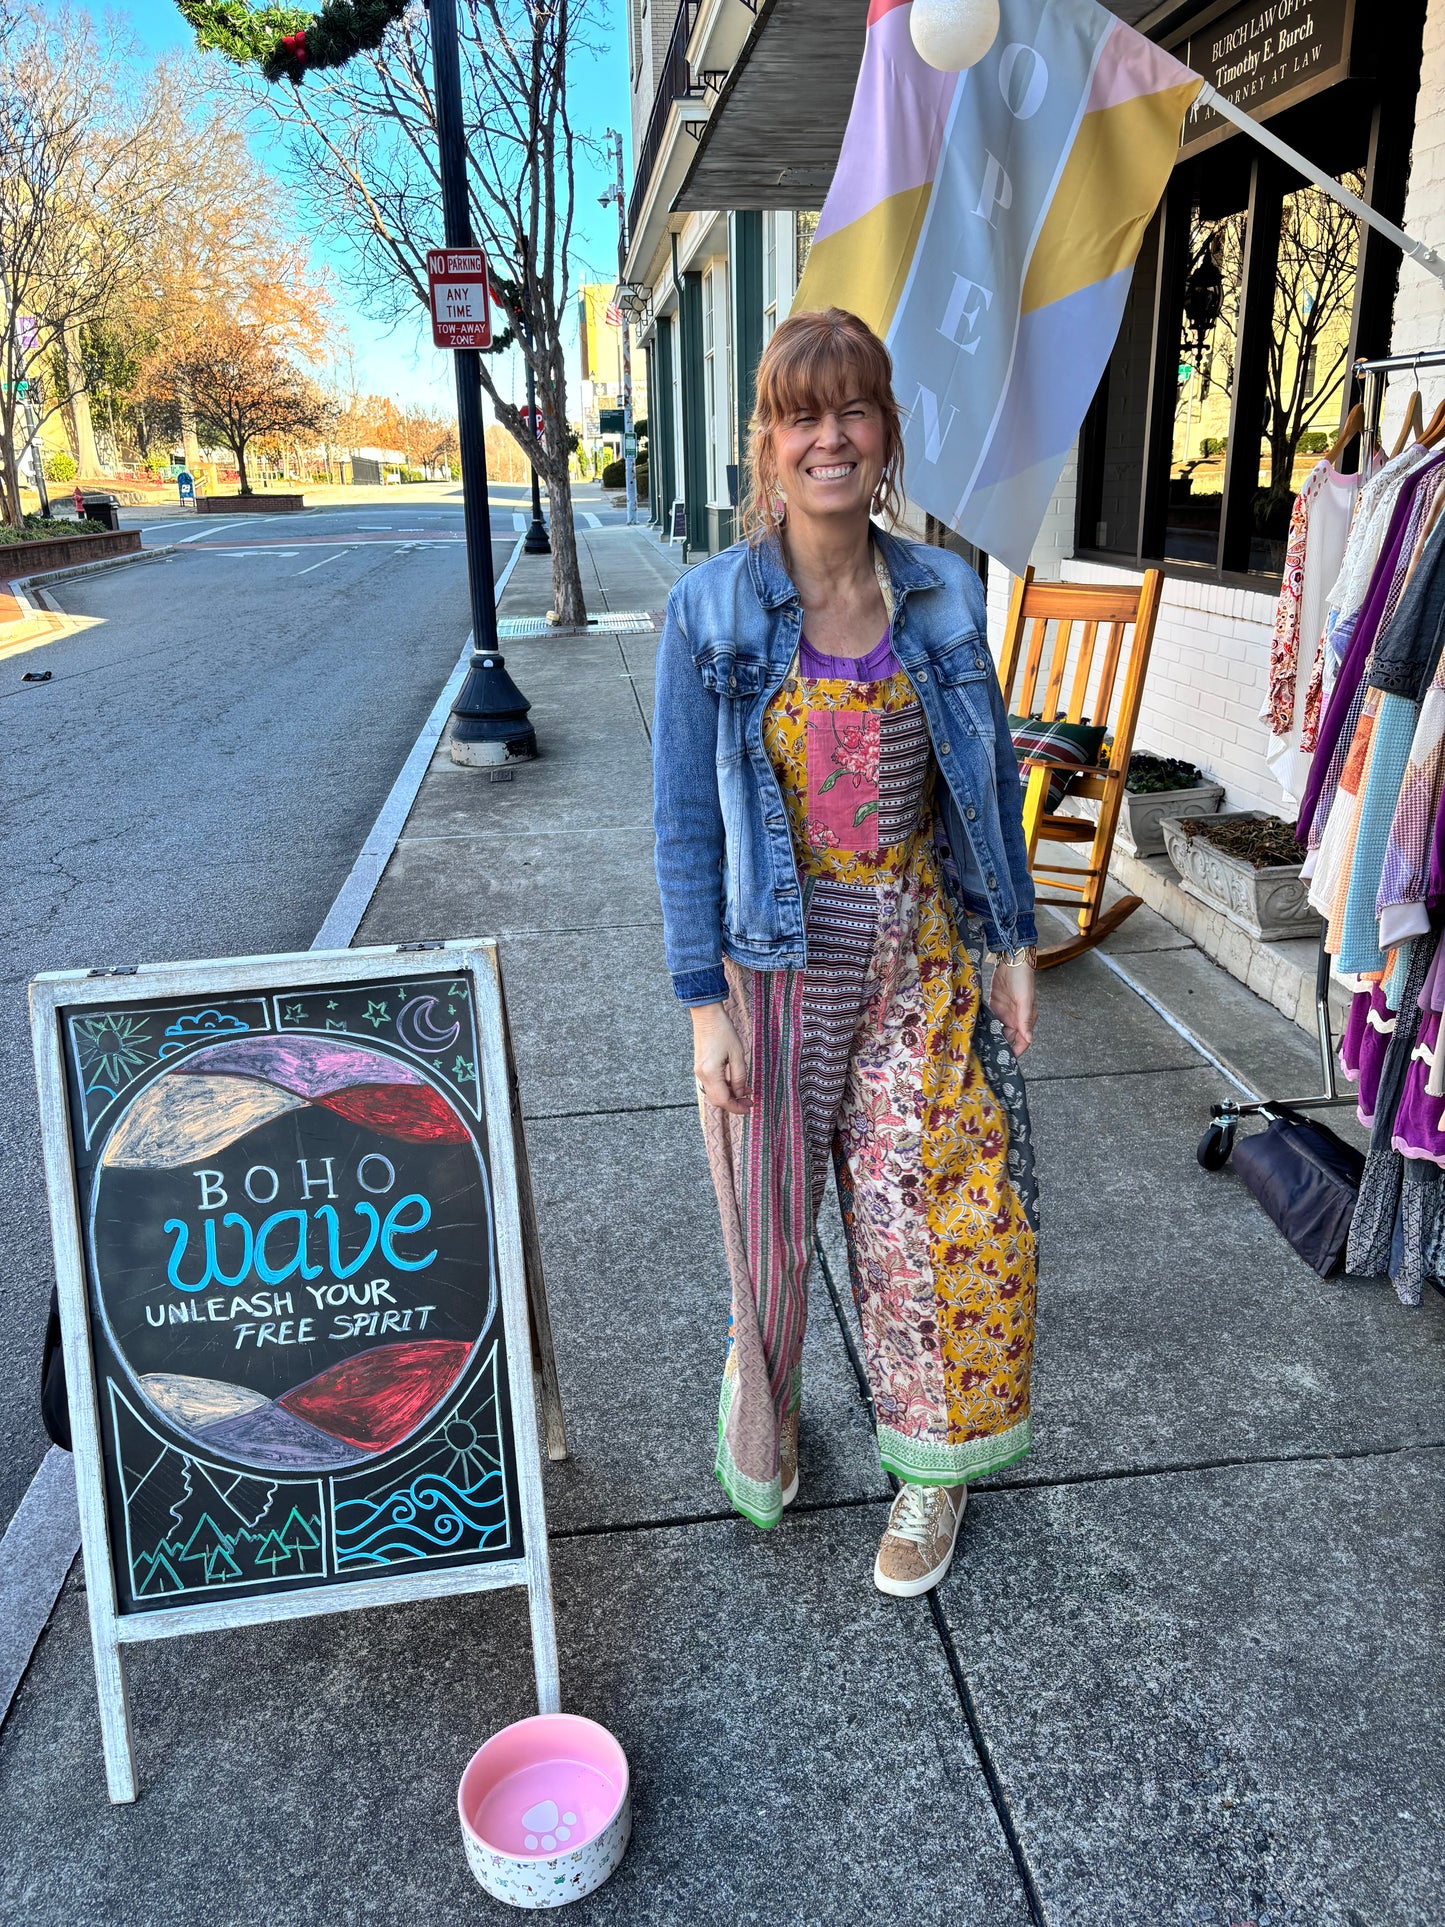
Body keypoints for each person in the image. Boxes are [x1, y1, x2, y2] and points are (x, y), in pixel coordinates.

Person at [652, 307, 1038, 1598]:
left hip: (917, 957)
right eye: (800, 414)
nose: (829, 437)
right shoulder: (708, 610)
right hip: (773, 965)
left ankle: (931, 1476)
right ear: (765, 441)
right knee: (767, 1236)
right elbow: (680, 823)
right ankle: (768, 1444)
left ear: (886, 434)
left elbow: (978, 786)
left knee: (938, 1220)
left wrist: (1008, 942)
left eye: (852, 410)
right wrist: (700, 1000)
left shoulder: (943, 592)